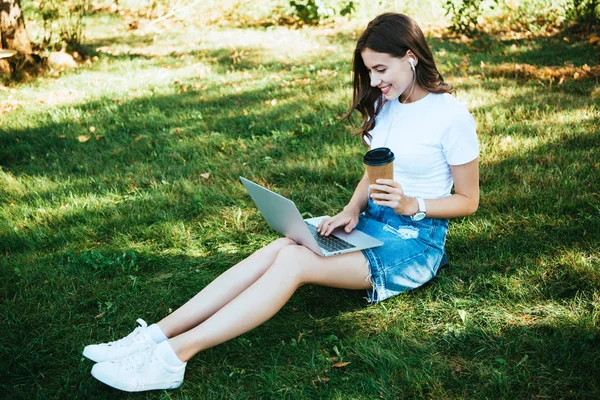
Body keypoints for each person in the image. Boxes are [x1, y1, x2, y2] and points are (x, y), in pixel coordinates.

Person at [83, 13, 479, 392]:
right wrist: (351, 209)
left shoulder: (450, 116)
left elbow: (468, 201)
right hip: (371, 222)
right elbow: (372, 176)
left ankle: (173, 356)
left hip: (414, 243)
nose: (374, 82)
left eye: (381, 69)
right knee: (282, 245)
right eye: (369, 71)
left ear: (410, 57)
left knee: (294, 261)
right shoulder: (387, 104)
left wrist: (413, 205)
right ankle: (153, 336)